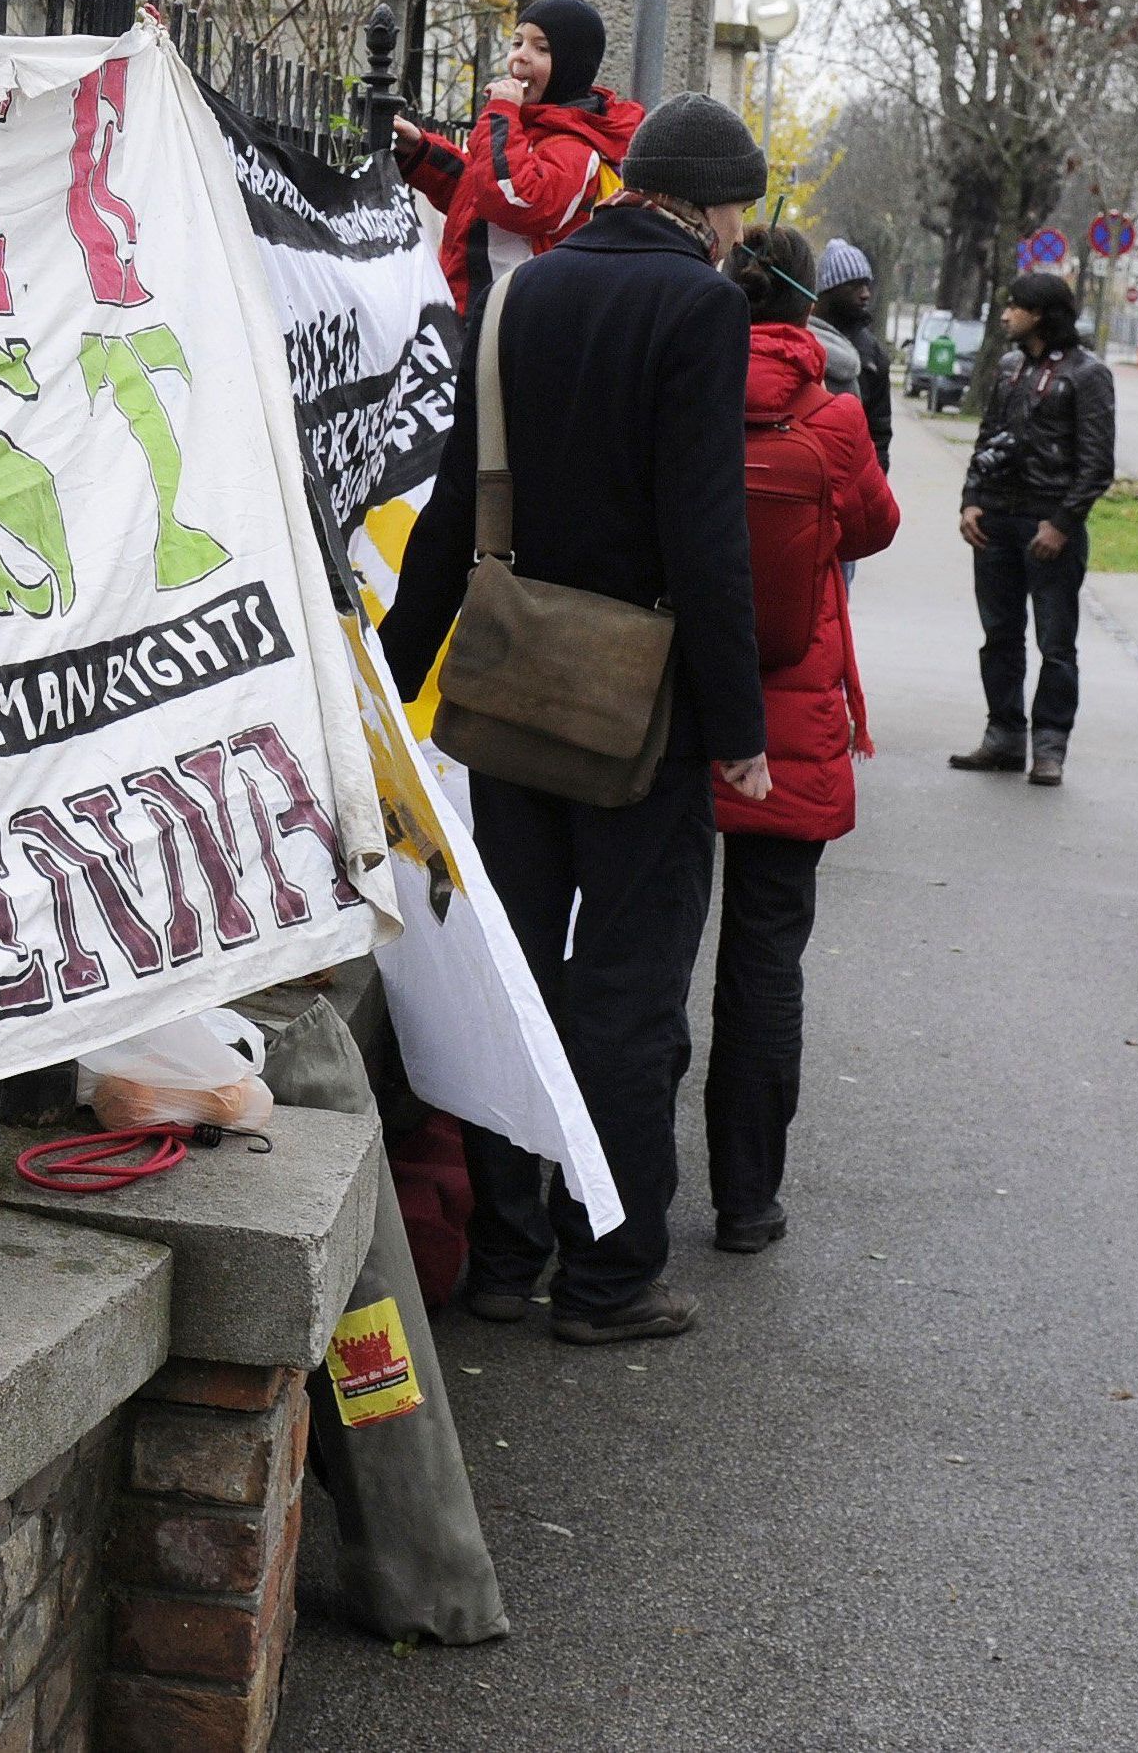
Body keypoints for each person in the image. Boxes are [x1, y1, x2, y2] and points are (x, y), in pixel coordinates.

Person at [381, 92, 771, 1346]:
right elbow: (704, 532)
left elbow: (453, 504)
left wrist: (394, 672)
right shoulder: (701, 305)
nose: (733, 233)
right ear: (709, 205)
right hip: (633, 700)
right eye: (735, 211)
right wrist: (737, 722)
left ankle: (503, 1251)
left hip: (506, 682)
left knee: (522, 971)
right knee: (626, 984)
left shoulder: (521, 293)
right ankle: (608, 1271)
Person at [706, 223, 901, 1252]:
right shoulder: (833, 413)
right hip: (793, 725)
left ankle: (618, 1204)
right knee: (764, 959)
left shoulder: (684, 386)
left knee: (647, 960)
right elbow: (873, 527)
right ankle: (745, 1200)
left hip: (677, 709)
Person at [949, 272, 1115, 788]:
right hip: (996, 520)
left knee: (1056, 642)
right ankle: (1003, 735)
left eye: (1014, 306)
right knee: (999, 634)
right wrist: (972, 501)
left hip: (1049, 526)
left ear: (1040, 314)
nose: (1005, 315)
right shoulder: (1007, 367)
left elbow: (1097, 464)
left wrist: (1062, 525)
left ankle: (1050, 745)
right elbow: (988, 437)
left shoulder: (1088, 375)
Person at [390, 0, 645, 312]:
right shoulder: (521, 127)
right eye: (517, 43)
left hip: (509, 316)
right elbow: (477, 192)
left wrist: (500, 114)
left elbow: (514, 200)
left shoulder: (575, 148)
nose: (520, 57)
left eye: (542, 49)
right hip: (469, 305)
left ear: (572, 65)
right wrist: (423, 151)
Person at [814, 239, 895, 471]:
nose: (865, 294)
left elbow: (879, 432)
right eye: (855, 286)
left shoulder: (873, 355)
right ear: (828, 289)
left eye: (867, 285)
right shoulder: (803, 338)